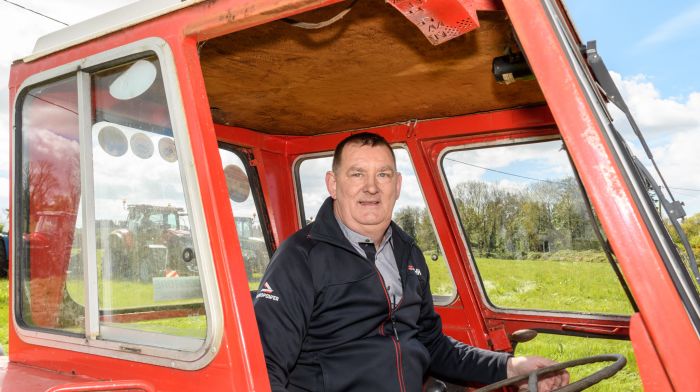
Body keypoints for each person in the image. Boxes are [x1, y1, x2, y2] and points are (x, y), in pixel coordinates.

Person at [254, 132, 569, 391]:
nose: (371, 187)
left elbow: (431, 344)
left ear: (397, 185)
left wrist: (509, 366)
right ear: (333, 185)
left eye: (383, 174)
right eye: (357, 174)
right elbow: (265, 368)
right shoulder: (300, 258)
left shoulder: (408, 253)